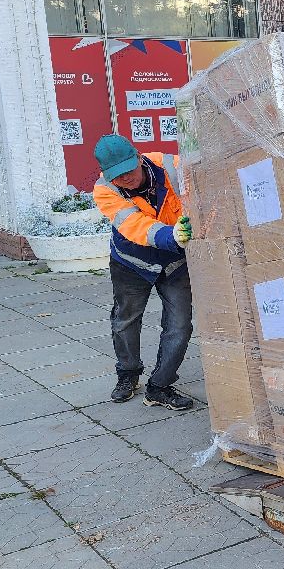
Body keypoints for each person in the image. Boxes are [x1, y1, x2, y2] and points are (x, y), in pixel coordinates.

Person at [91, 134, 196, 410]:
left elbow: (202, 188)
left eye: (128, 171)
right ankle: (128, 374)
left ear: (139, 158)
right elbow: (135, 225)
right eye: (117, 176)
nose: (125, 179)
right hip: (131, 262)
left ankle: (159, 386)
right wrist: (171, 236)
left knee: (180, 325)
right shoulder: (104, 190)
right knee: (125, 320)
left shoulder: (171, 166)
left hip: (174, 261)